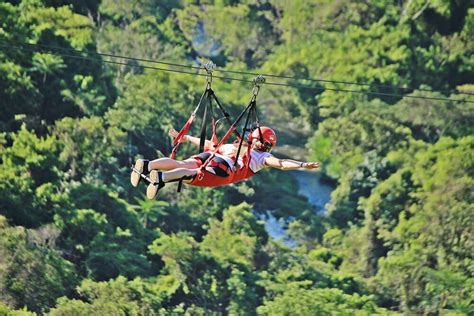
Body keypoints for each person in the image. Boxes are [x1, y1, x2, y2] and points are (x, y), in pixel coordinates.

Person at [131, 126, 320, 199]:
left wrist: (187, 137)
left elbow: (210, 145)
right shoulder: (261, 158)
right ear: (266, 145)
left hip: (214, 156)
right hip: (224, 168)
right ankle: (160, 178)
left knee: (184, 164)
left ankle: (148, 165)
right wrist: (302, 165)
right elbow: (281, 163)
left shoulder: (233, 145)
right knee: (193, 174)